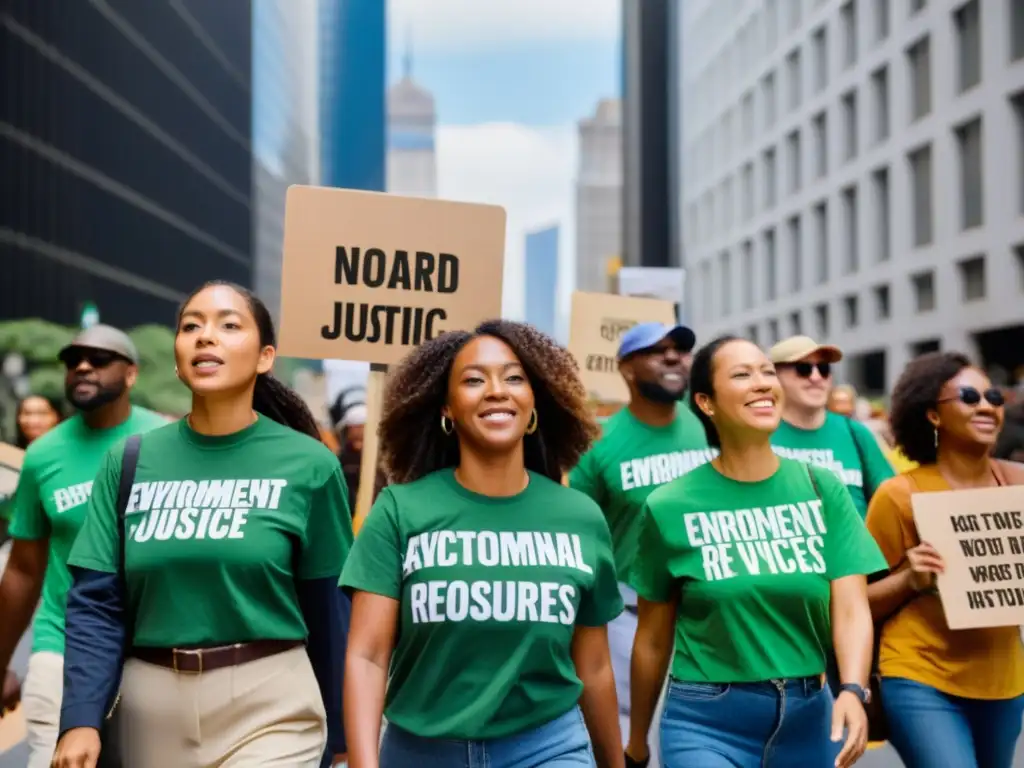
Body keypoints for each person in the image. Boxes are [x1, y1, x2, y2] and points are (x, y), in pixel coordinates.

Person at [52, 281, 353, 768]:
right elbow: (95, 604)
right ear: (176, 356)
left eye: (229, 325)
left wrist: (343, 736)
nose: (205, 337)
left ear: (264, 357)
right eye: (191, 326)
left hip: (272, 700)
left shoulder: (310, 464)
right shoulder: (128, 461)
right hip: (151, 706)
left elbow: (330, 609)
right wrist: (81, 719)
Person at [342, 320, 625, 768]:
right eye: (474, 380)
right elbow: (368, 655)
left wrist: (615, 764)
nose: (497, 390)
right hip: (421, 752)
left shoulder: (580, 517)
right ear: (447, 409)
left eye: (514, 378)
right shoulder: (399, 510)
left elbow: (593, 667)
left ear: (534, 402)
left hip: (548, 748)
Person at [627, 335, 885, 768]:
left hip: (810, 718)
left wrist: (854, 691)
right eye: (743, 374)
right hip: (705, 721)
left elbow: (851, 609)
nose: (763, 383)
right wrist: (636, 743)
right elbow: (652, 639)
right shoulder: (668, 505)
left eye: (767, 371)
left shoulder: (823, 488)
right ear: (706, 402)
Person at [0, 325, 166, 768]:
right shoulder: (44, 455)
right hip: (62, 649)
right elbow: (23, 569)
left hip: (154, 652)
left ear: (130, 374)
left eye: (99, 358)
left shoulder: (167, 442)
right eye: (74, 360)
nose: (83, 367)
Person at [865, 352, 1024, 768]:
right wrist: (909, 579)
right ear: (933, 416)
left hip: (1003, 681)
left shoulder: (1019, 485)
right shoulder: (899, 495)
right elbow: (855, 601)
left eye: (993, 396)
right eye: (969, 397)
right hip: (921, 674)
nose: (987, 405)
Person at [569, 321, 712, 751]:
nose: (674, 357)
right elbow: (579, 537)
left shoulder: (713, 424)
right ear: (627, 369)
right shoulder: (597, 444)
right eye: (657, 350)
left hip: (710, 613)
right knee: (630, 744)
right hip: (629, 618)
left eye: (681, 349)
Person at [768, 335, 894, 519]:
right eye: (803, 369)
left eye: (824, 368)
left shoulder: (856, 433)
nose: (816, 377)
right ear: (774, 377)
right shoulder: (757, 434)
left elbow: (891, 503)